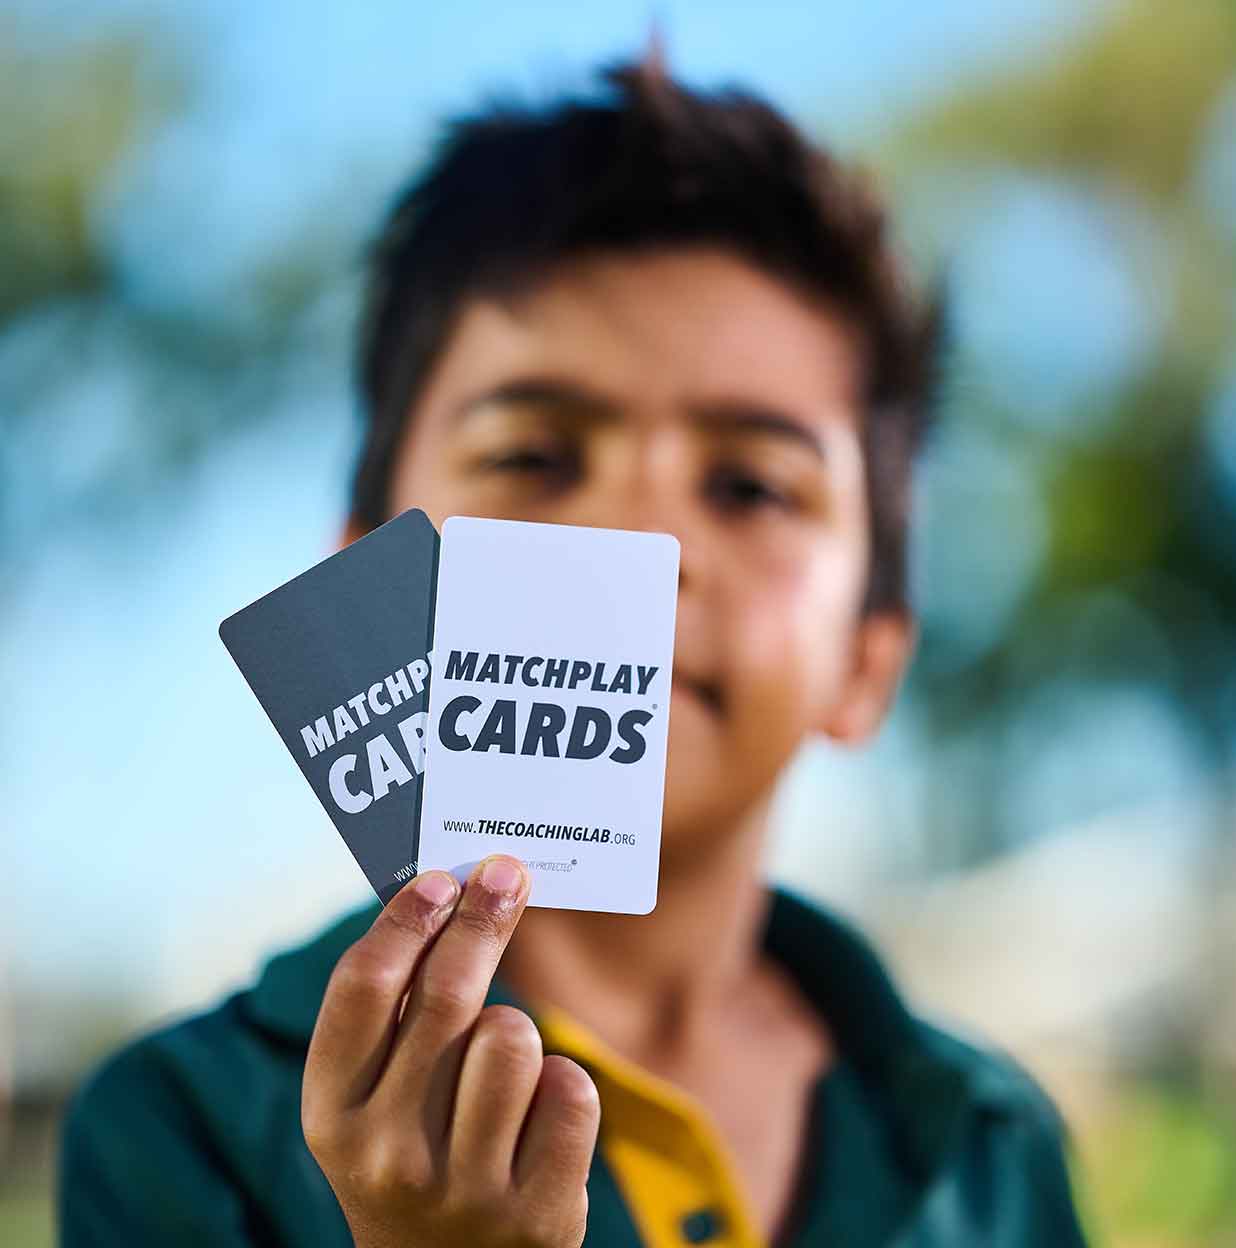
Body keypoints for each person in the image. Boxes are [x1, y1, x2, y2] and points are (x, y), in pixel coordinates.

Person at [57, 49, 1090, 1248]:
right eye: (535, 458)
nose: (639, 541)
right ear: (369, 587)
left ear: (868, 658)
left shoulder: (995, 1147)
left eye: (751, 485)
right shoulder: (177, 1131)